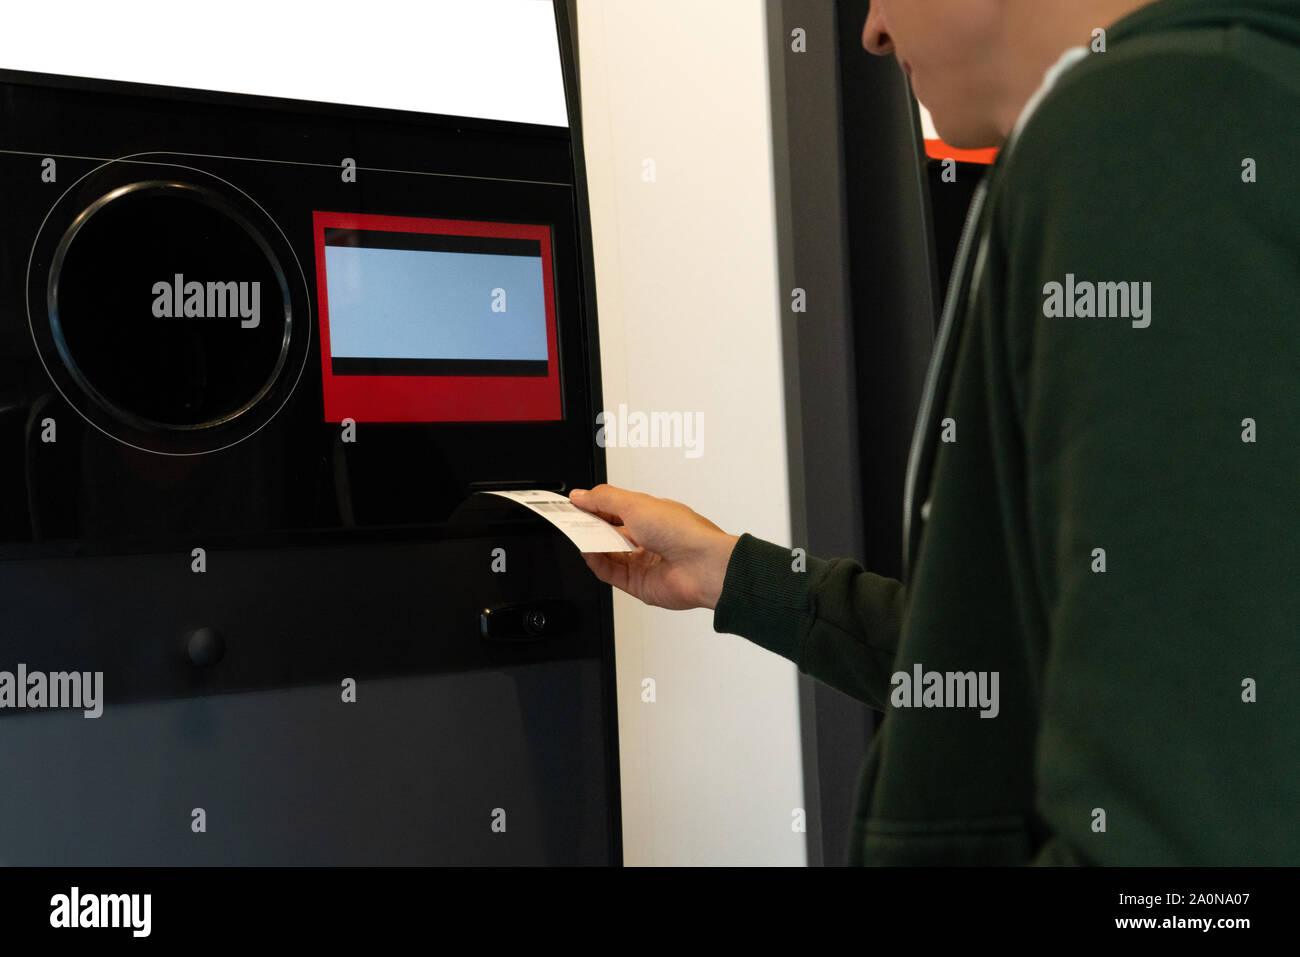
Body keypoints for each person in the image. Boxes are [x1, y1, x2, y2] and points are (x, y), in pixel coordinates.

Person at [568, 0, 1300, 865]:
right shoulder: (1215, 99)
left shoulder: (1150, 123)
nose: (873, 28)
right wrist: (733, 573)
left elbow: (1189, 861)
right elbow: (1004, 668)